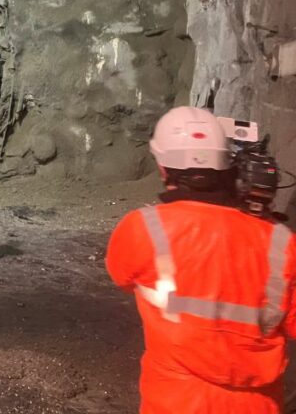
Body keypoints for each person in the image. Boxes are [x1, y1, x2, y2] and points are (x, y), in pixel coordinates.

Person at [106, 106, 296, 414]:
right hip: (257, 405)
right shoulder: (281, 242)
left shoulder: (142, 228)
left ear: (164, 167)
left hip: (174, 401)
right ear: (227, 165)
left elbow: (122, 275)